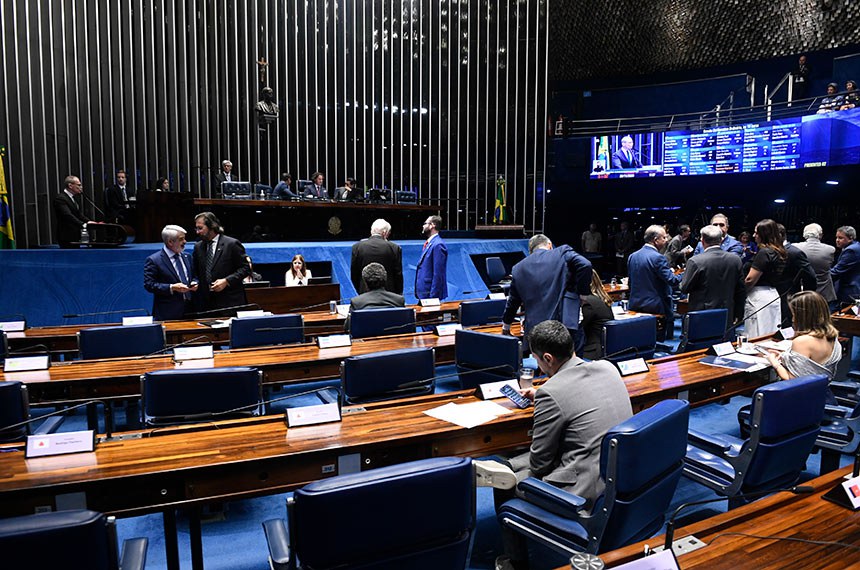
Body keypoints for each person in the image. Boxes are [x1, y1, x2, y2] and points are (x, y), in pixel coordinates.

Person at [473, 320, 633, 570]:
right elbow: (579, 394)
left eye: (536, 359)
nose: (536, 365)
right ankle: (506, 464)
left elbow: (540, 463)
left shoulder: (552, 391)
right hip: (616, 475)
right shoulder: (606, 367)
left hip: (581, 493)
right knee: (511, 465)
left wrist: (549, 395)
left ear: (547, 358)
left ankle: (515, 561)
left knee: (503, 482)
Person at [501, 234, 592, 347]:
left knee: (544, 363)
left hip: (537, 330)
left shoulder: (518, 268)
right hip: (565, 323)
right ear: (549, 245)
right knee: (572, 362)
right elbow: (585, 265)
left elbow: (513, 302)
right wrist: (583, 294)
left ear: (531, 251)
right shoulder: (562, 252)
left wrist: (506, 327)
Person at [761, 291, 842, 404]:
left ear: (803, 316)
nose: (793, 319)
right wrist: (786, 358)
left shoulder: (802, 342)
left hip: (803, 404)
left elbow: (792, 380)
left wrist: (774, 362)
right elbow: (810, 368)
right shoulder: (832, 337)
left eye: (794, 314)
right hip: (825, 398)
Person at [680, 224, 745, 328]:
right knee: (724, 342)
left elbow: (684, 288)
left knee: (703, 343)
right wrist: (739, 313)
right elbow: (741, 290)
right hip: (727, 312)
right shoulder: (735, 260)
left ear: (702, 241)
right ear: (721, 240)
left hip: (702, 314)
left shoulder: (695, 261)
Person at [627, 224, 682, 340]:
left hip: (635, 303)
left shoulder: (632, 256)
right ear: (655, 240)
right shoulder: (658, 258)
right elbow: (672, 281)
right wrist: (686, 273)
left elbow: (631, 283)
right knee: (658, 341)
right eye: (664, 238)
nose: (666, 240)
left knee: (640, 338)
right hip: (655, 306)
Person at [192, 211, 251, 311]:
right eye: (196, 228)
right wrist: (195, 281)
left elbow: (245, 268)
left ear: (212, 227)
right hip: (207, 303)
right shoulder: (198, 247)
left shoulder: (231, 244)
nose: (197, 232)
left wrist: (226, 281)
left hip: (230, 301)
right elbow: (196, 271)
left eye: (200, 228)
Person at [143, 225, 198, 321]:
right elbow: (149, 285)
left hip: (191, 311)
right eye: (181, 239)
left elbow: (194, 276)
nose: (185, 242)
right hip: (168, 313)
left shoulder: (187, 256)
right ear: (170, 242)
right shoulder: (154, 260)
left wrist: (195, 282)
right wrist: (172, 287)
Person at [743, 219, 786, 338]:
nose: (754, 235)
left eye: (756, 233)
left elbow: (750, 279)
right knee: (770, 333)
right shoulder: (779, 252)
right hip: (772, 295)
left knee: (756, 335)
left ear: (764, 234)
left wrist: (741, 292)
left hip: (758, 296)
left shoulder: (764, 253)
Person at [776, 224, 817, 328]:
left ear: (780, 235)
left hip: (787, 298)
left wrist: (804, 297)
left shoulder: (795, 252)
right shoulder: (768, 251)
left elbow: (810, 276)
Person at [344, 263, 406, 332]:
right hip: (394, 341)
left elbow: (347, 328)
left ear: (365, 282)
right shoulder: (398, 300)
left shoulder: (356, 302)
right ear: (385, 279)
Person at [351, 219, 403, 295]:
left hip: (364, 293)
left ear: (371, 231)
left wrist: (360, 290)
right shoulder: (394, 248)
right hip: (389, 295)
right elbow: (398, 275)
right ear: (385, 233)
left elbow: (354, 274)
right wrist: (398, 295)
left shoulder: (357, 247)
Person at [794, 223, 836, 308]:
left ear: (804, 234)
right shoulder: (831, 249)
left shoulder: (795, 247)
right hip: (824, 291)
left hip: (803, 291)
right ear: (820, 235)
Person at [579, 270, 614, 360]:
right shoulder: (603, 298)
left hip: (591, 352)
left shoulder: (588, 302)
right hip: (606, 348)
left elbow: (578, 328)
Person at [414, 215, 448, 300]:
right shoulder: (431, 243)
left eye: (425, 223)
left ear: (432, 225)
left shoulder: (438, 245)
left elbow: (438, 273)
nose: (423, 226)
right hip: (424, 292)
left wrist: (433, 297)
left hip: (430, 294)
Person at [53, 175, 91, 248]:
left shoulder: (72, 198)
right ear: (70, 185)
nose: (81, 187)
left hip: (74, 235)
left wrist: (89, 221)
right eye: (79, 185)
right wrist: (82, 224)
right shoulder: (61, 198)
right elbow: (67, 215)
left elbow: (78, 215)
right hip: (66, 236)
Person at [831, 225, 860, 306]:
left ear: (850, 238)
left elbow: (836, 271)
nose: (837, 240)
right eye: (836, 237)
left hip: (849, 290)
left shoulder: (851, 250)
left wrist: (820, 275)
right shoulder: (854, 246)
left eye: (840, 238)